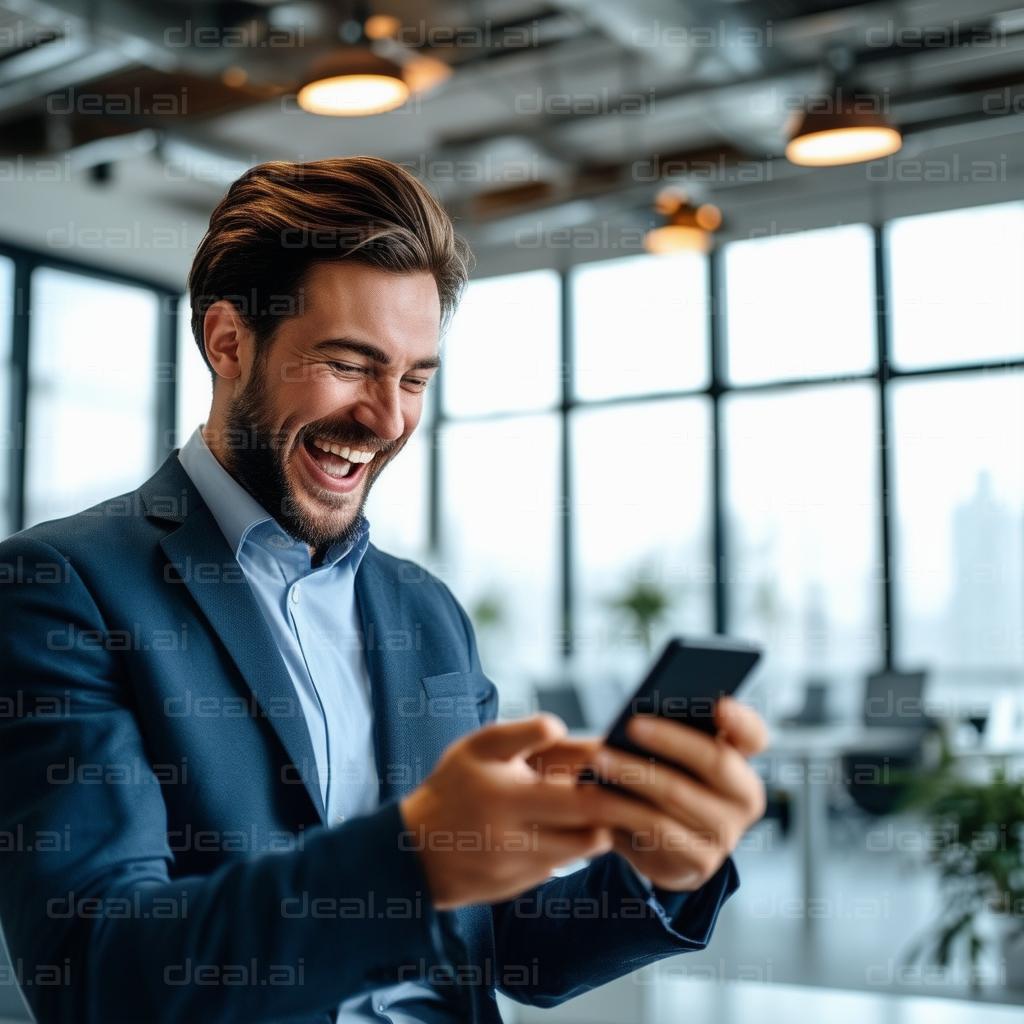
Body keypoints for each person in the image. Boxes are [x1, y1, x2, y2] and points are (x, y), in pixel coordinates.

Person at [0, 157, 767, 1024]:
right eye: (348, 363)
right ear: (228, 343)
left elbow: (509, 945)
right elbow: (99, 971)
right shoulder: (60, 588)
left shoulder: (426, 614)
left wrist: (667, 866)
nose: (387, 419)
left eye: (413, 379)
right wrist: (418, 858)